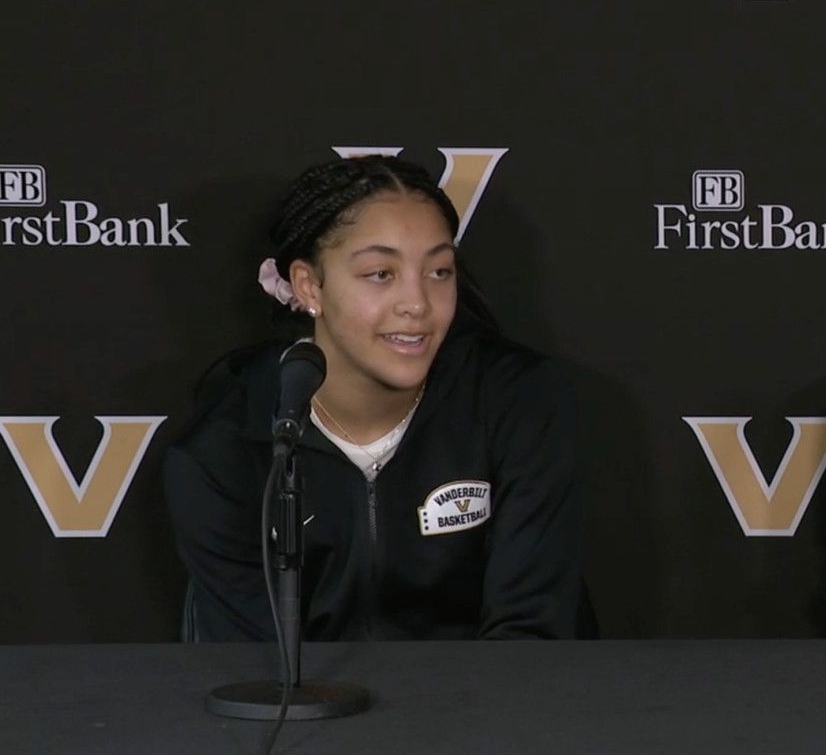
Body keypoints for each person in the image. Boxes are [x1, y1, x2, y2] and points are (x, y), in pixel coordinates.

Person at [164, 155, 585, 641]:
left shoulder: (521, 400)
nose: (418, 304)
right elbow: (254, 674)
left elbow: (531, 635)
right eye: (381, 274)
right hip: (315, 715)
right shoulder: (223, 450)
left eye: (439, 271)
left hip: (495, 709)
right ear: (308, 285)